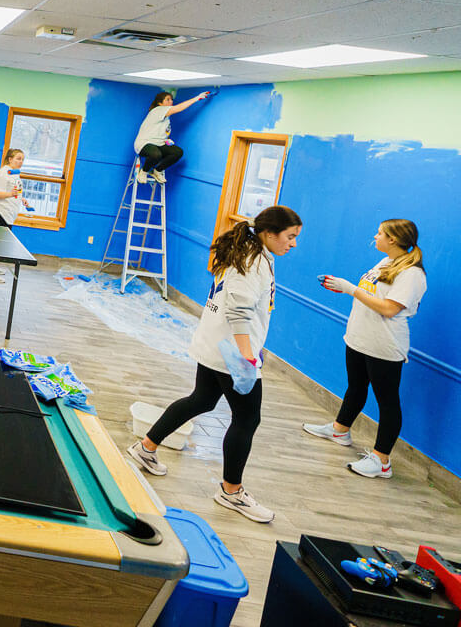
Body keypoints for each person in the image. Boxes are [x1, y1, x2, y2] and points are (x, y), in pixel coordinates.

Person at [128, 205, 303, 523]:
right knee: (247, 420)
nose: (293, 243)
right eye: (290, 237)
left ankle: (146, 447)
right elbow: (239, 312)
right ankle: (231, 491)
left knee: (202, 400)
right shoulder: (253, 261)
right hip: (231, 353)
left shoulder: (251, 250)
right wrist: (249, 355)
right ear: (269, 233)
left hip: (216, 345)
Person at [303, 219, 427, 479]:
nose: (376, 236)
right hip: (359, 339)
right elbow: (372, 295)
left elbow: (389, 308)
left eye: (380, 233)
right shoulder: (385, 263)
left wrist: (349, 289)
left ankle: (382, 461)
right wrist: (345, 288)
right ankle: (340, 430)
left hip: (384, 346)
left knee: (387, 402)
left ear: (392, 239)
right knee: (356, 388)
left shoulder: (412, 274)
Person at [133, 90, 209, 184]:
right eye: (167, 100)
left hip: (158, 144)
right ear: (160, 103)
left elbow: (160, 133)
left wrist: (166, 141)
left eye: (171, 100)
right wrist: (197, 98)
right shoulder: (157, 110)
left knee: (177, 152)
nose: (171, 102)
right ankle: (144, 172)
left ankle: (157, 171)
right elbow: (179, 108)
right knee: (156, 154)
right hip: (144, 144)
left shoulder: (166, 119)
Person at [0, 148, 29, 284]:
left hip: (9, 213)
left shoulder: (14, 173)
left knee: (1, 244)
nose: (20, 161)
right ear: (10, 159)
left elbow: (16, 191)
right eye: (18, 158)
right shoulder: (2, 174)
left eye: (22, 159)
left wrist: (22, 199)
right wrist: (11, 195)